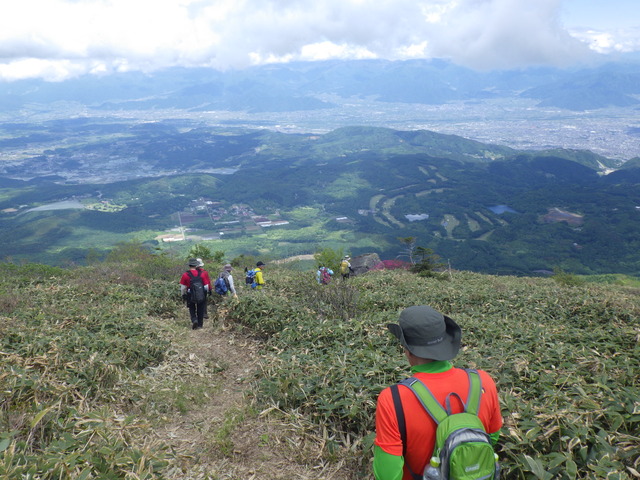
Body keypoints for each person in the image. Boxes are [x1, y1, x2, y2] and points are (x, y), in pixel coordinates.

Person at [373, 305, 503, 480]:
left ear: (407, 350)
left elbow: (388, 475)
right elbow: (491, 438)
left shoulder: (393, 398)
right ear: (446, 343)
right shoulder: (483, 381)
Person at [179, 258, 211, 330]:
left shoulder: (185, 275)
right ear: (196, 265)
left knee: (192, 308)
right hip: (201, 293)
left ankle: (194, 320)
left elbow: (183, 287)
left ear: (189, 265)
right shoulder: (202, 274)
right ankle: (200, 325)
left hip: (190, 293)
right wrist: (205, 293)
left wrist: (183, 295)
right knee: (200, 308)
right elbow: (206, 286)